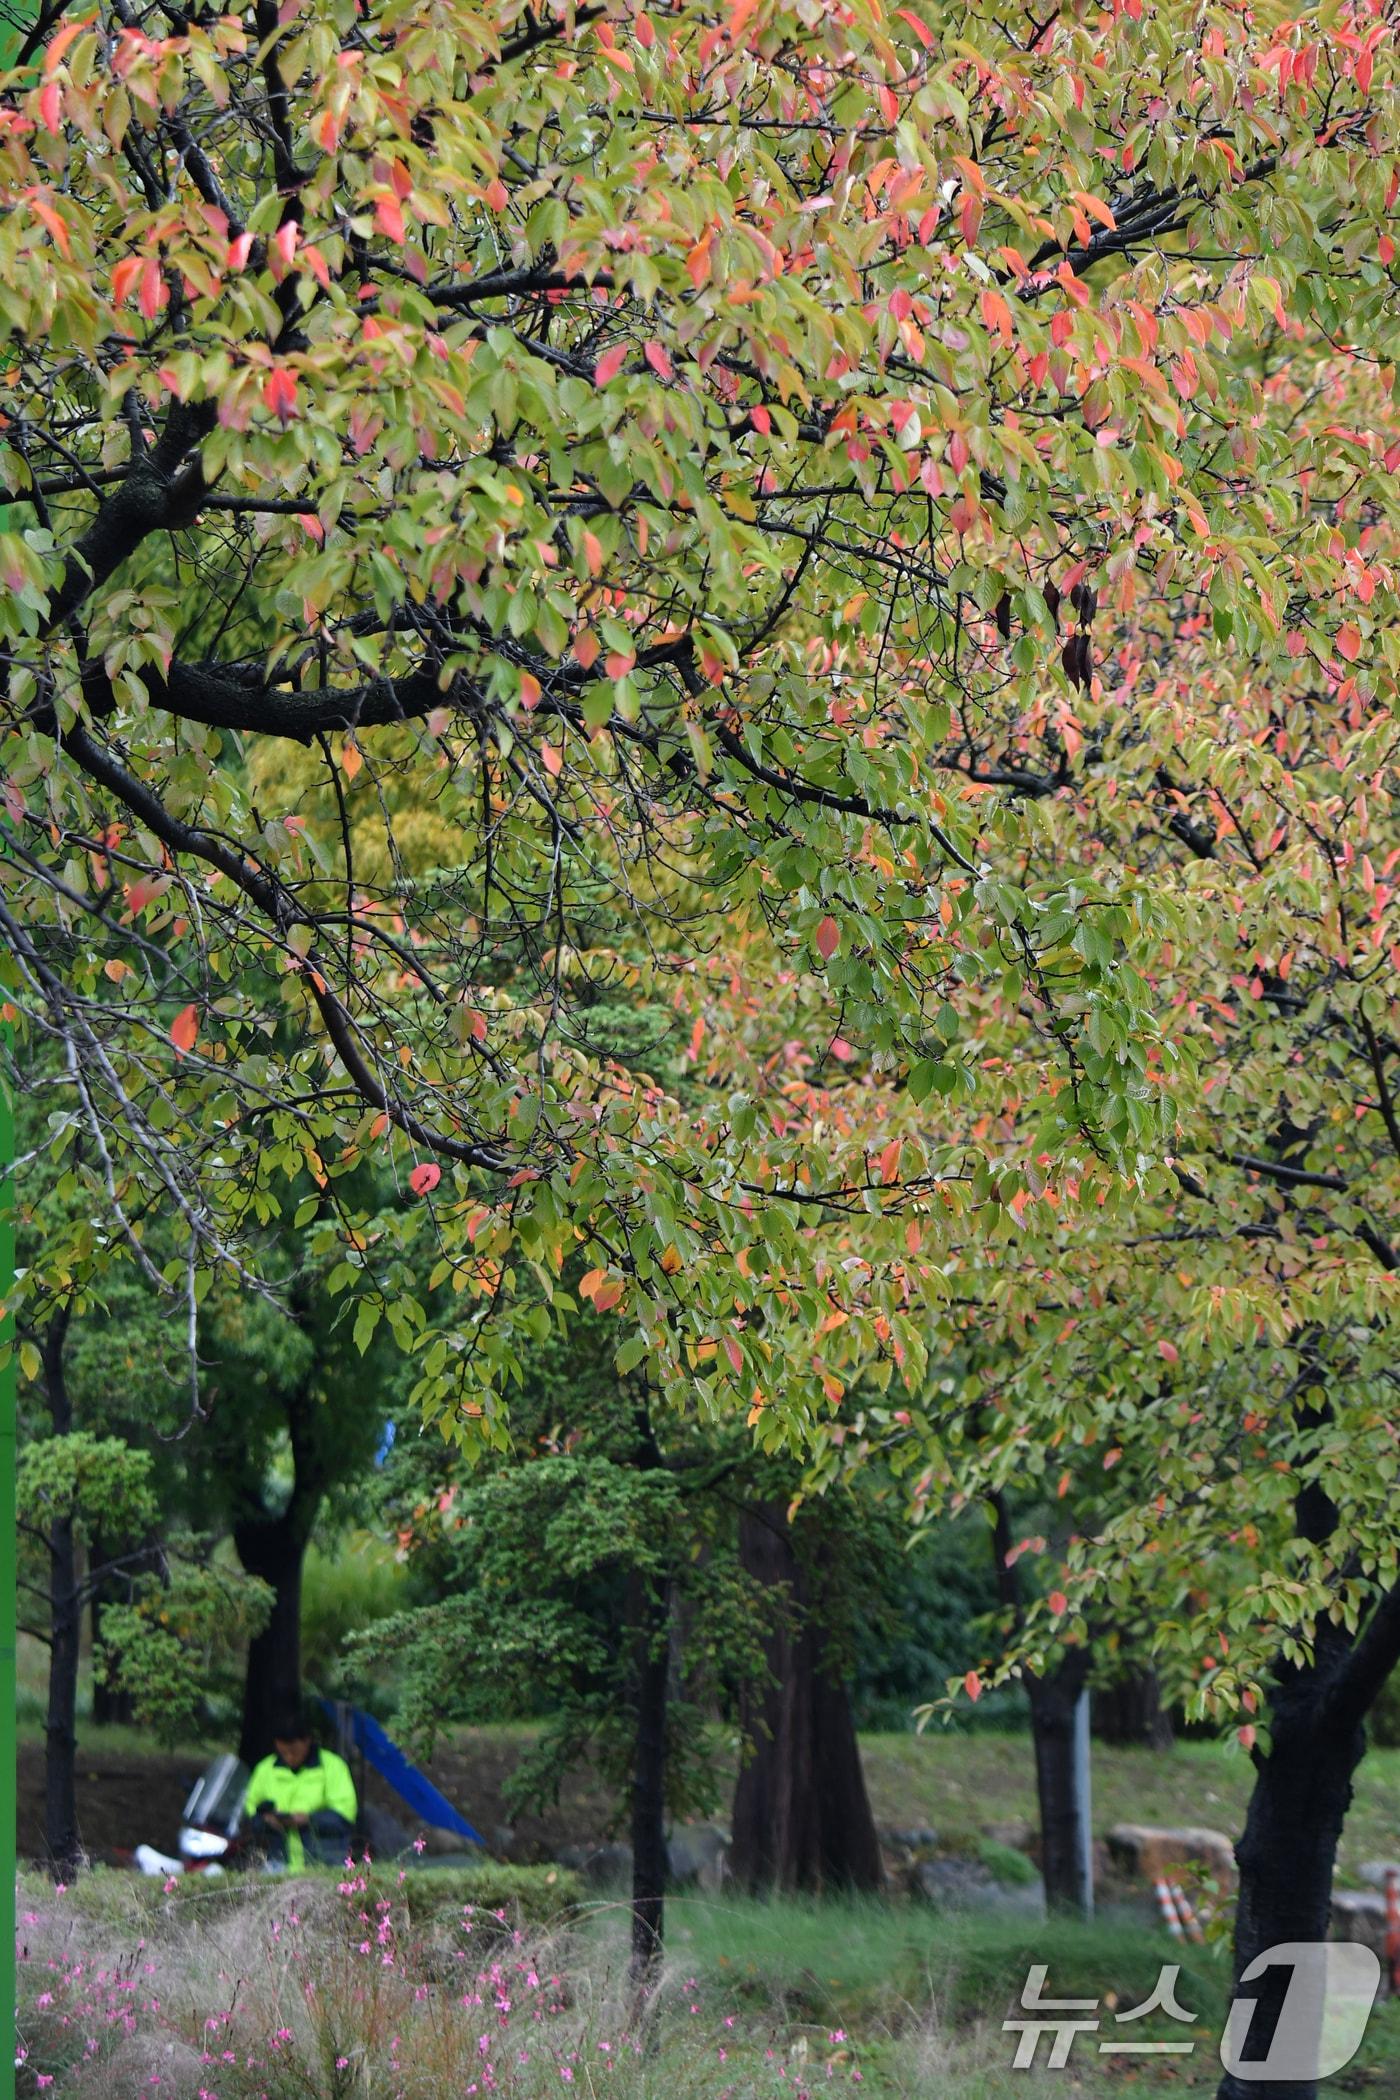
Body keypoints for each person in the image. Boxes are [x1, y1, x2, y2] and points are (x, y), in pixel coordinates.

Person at [243, 1706, 358, 1870]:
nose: (289, 1757)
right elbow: (250, 1811)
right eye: (284, 1752)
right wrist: (267, 1820)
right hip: (277, 1861)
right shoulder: (265, 1769)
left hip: (324, 1863)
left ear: (307, 1741)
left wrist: (308, 1819)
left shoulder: (333, 1766)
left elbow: (345, 1816)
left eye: (294, 1751)